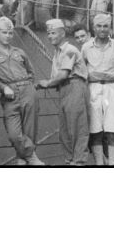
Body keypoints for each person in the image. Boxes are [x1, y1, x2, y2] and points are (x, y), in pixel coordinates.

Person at [0, 17, 44, 165]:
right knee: (13, 134)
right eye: (5, 32)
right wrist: (3, 87)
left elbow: (31, 72)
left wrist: (28, 88)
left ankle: (22, 159)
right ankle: (31, 155)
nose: (8, 36)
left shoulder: (20, 52)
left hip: (27, 91)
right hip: (9, 95)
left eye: (10, 33)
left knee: (30, 130)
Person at [36, 18, 89, 166]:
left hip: (75, 87)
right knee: (65, 131)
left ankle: (78, 162)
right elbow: (58, 79)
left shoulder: (69, 50)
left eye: (53, 33)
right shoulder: (57, 53)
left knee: (78, 129)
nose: (50, 36)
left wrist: (46, 83)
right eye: (48, 33)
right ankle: (69, 160)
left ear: (62, 33)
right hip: (64, 90)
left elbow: (63, 74)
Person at [81, 14, 114, 166]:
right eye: (99, 26)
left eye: (105, 26)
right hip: (93, 88)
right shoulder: (86, 47)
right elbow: (81, 69)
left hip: (112, 88)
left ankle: (113, 164)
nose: (102, 30)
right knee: (95, 131)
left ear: (110, 28)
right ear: (94, 28)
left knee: (113, 131)